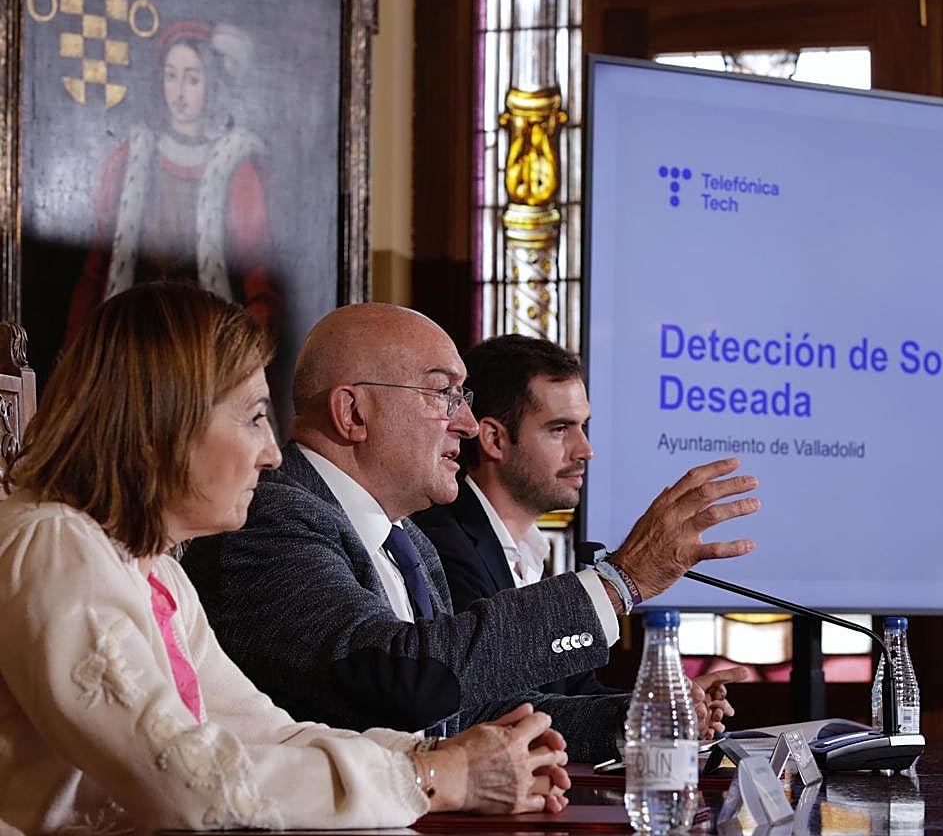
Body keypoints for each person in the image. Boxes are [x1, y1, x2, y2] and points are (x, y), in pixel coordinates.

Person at [0, 283, 568, 833]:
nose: (272, 453)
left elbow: (269, 734)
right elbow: (185, 782)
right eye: (254, 417)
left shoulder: (155, 569)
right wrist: (434, 778)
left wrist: (444, 755)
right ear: (165, 422)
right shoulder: (57, 545)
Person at [183, 303, 760, 763]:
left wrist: (636, 719)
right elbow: (403, 681)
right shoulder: (269, 519)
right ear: (353, 413)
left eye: (463, 398)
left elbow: (465, 713)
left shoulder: (408, 541)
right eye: (444, 394)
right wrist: (621, 581)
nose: (464, 422)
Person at [413, 334, 747, 718]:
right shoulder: (440, 546)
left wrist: (663, 708)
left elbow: (576, 693)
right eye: (560, 429)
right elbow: (489, 708)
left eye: (583, 426)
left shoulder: (530, 550)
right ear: (494, 439)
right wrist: (624, 579)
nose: (585, 449)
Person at [65, 19, 277, 343]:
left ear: (211, 83)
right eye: (171, 76)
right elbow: (96, 268)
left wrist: (243, 355)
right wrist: (77, 350)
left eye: (192, 79)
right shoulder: (129, 158)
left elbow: (259, 279)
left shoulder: (235, 166)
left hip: (202, 345)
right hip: (132, 339)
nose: (179, 93)